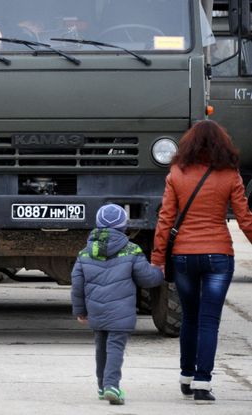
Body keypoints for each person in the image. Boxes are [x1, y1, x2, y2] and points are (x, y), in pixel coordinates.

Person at [152, 120, 252, 404]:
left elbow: (165, 219)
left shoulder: (176, 174)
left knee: (189, 319)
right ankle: (202, 383)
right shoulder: (230, 175)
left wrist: (159, 257)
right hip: (219, 256)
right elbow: (245, 219)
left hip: (183, 256)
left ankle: (185, 376)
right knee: (209, 321)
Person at [71, 203, 164, 405]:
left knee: (101, 347)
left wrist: (80, 310)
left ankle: (102, 385)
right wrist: (160, 272)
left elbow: (77, 285)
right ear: (123, 226)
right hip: (120, 313)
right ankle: (112, 385)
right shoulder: (132, 250)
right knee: (115, 347)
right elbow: (147, 279)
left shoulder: (85, 253)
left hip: (96, 310)